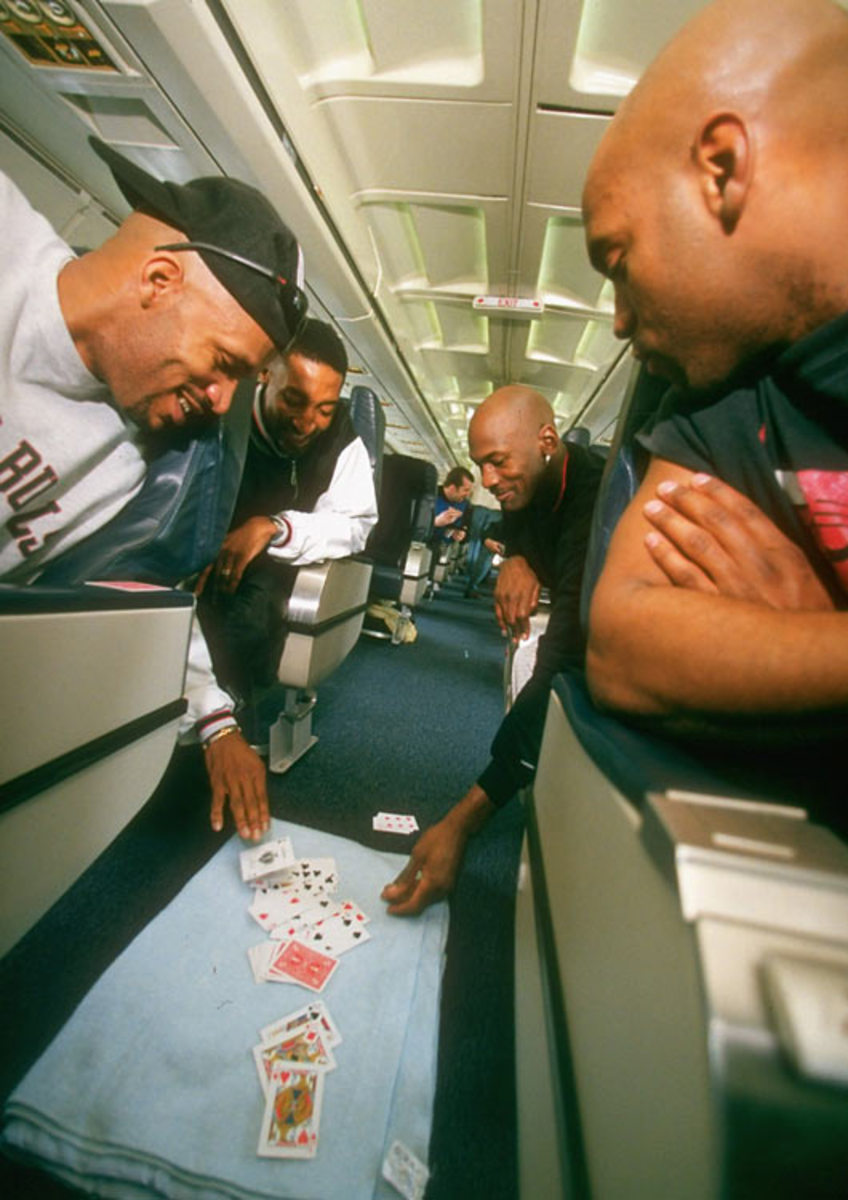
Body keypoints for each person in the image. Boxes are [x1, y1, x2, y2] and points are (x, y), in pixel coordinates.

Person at [0, 136, 307, 842]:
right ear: (159, 280)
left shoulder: (129, 466)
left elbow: (133, 597)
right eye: (222, 364)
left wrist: (215, 715)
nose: (223, 402)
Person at [580, 0, 848, 734]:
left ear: (722, 169)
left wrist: (807, 642)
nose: (619, 321)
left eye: (619, 260)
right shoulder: (725, 400)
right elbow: (625, 646)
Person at [381, 386, 603, 915]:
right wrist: (518, 558)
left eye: (498, 462)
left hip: (625, 657)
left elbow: (566, 661)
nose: (487, 481)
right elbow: (515, 525)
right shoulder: (532, 483)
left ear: (547, 440)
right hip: (574, 630)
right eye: (480, 465)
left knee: (545, 686)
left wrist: (464, 818)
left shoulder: (595, 506)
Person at [196, 318, 378, 725]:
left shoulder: (343, 440)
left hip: (278, 564)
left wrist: (276, 528)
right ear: (264, 373)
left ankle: (227, 707)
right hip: (199, 548)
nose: (307, 422)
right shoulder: (224, 402)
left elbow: (355, 525)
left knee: (251, 613)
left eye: (325, 409)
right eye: (293, 400)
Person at [432, 467, 473, 546]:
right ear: (452, 488)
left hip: (441, 549)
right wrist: (435, 522)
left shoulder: (466, 506)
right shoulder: (429, 496)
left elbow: (467, 531)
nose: (468, 495)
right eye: (465, 490)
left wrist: (461, 534)